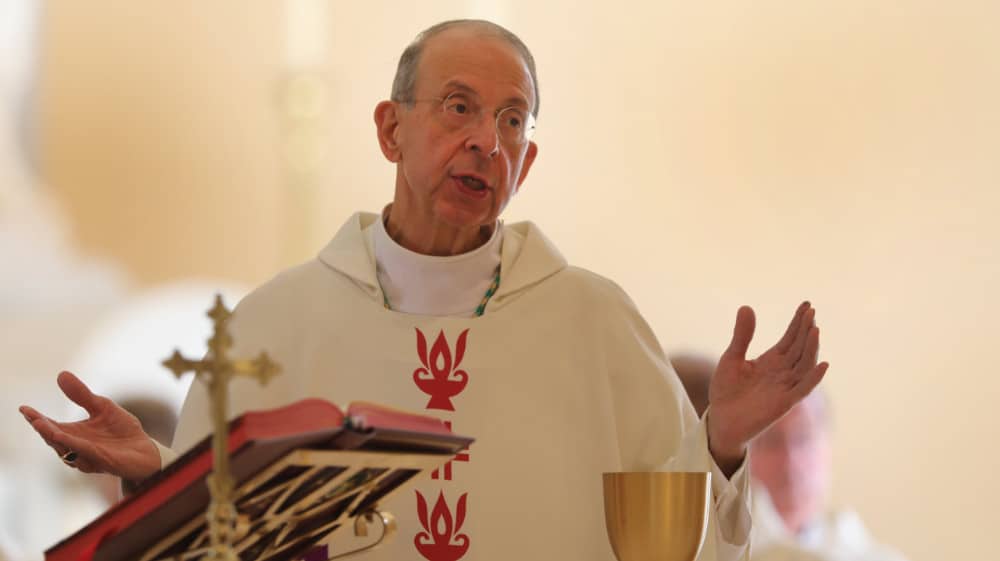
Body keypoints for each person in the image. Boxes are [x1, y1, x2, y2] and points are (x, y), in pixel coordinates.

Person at [19, 20, 828, 561]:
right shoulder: (273, 325)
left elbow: (676, 547)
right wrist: (156, 479)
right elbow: (221, 539)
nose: (488, 139)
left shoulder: (597, 323)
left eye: (514, 122)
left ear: (528, 164)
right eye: (459, 107)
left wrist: (721, 440)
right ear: (390, 129)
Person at [671, 354, 905, 561]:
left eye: (804, 437)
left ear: (828, 444)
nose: (791, 460)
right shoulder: (707, 545)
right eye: (771, 441)